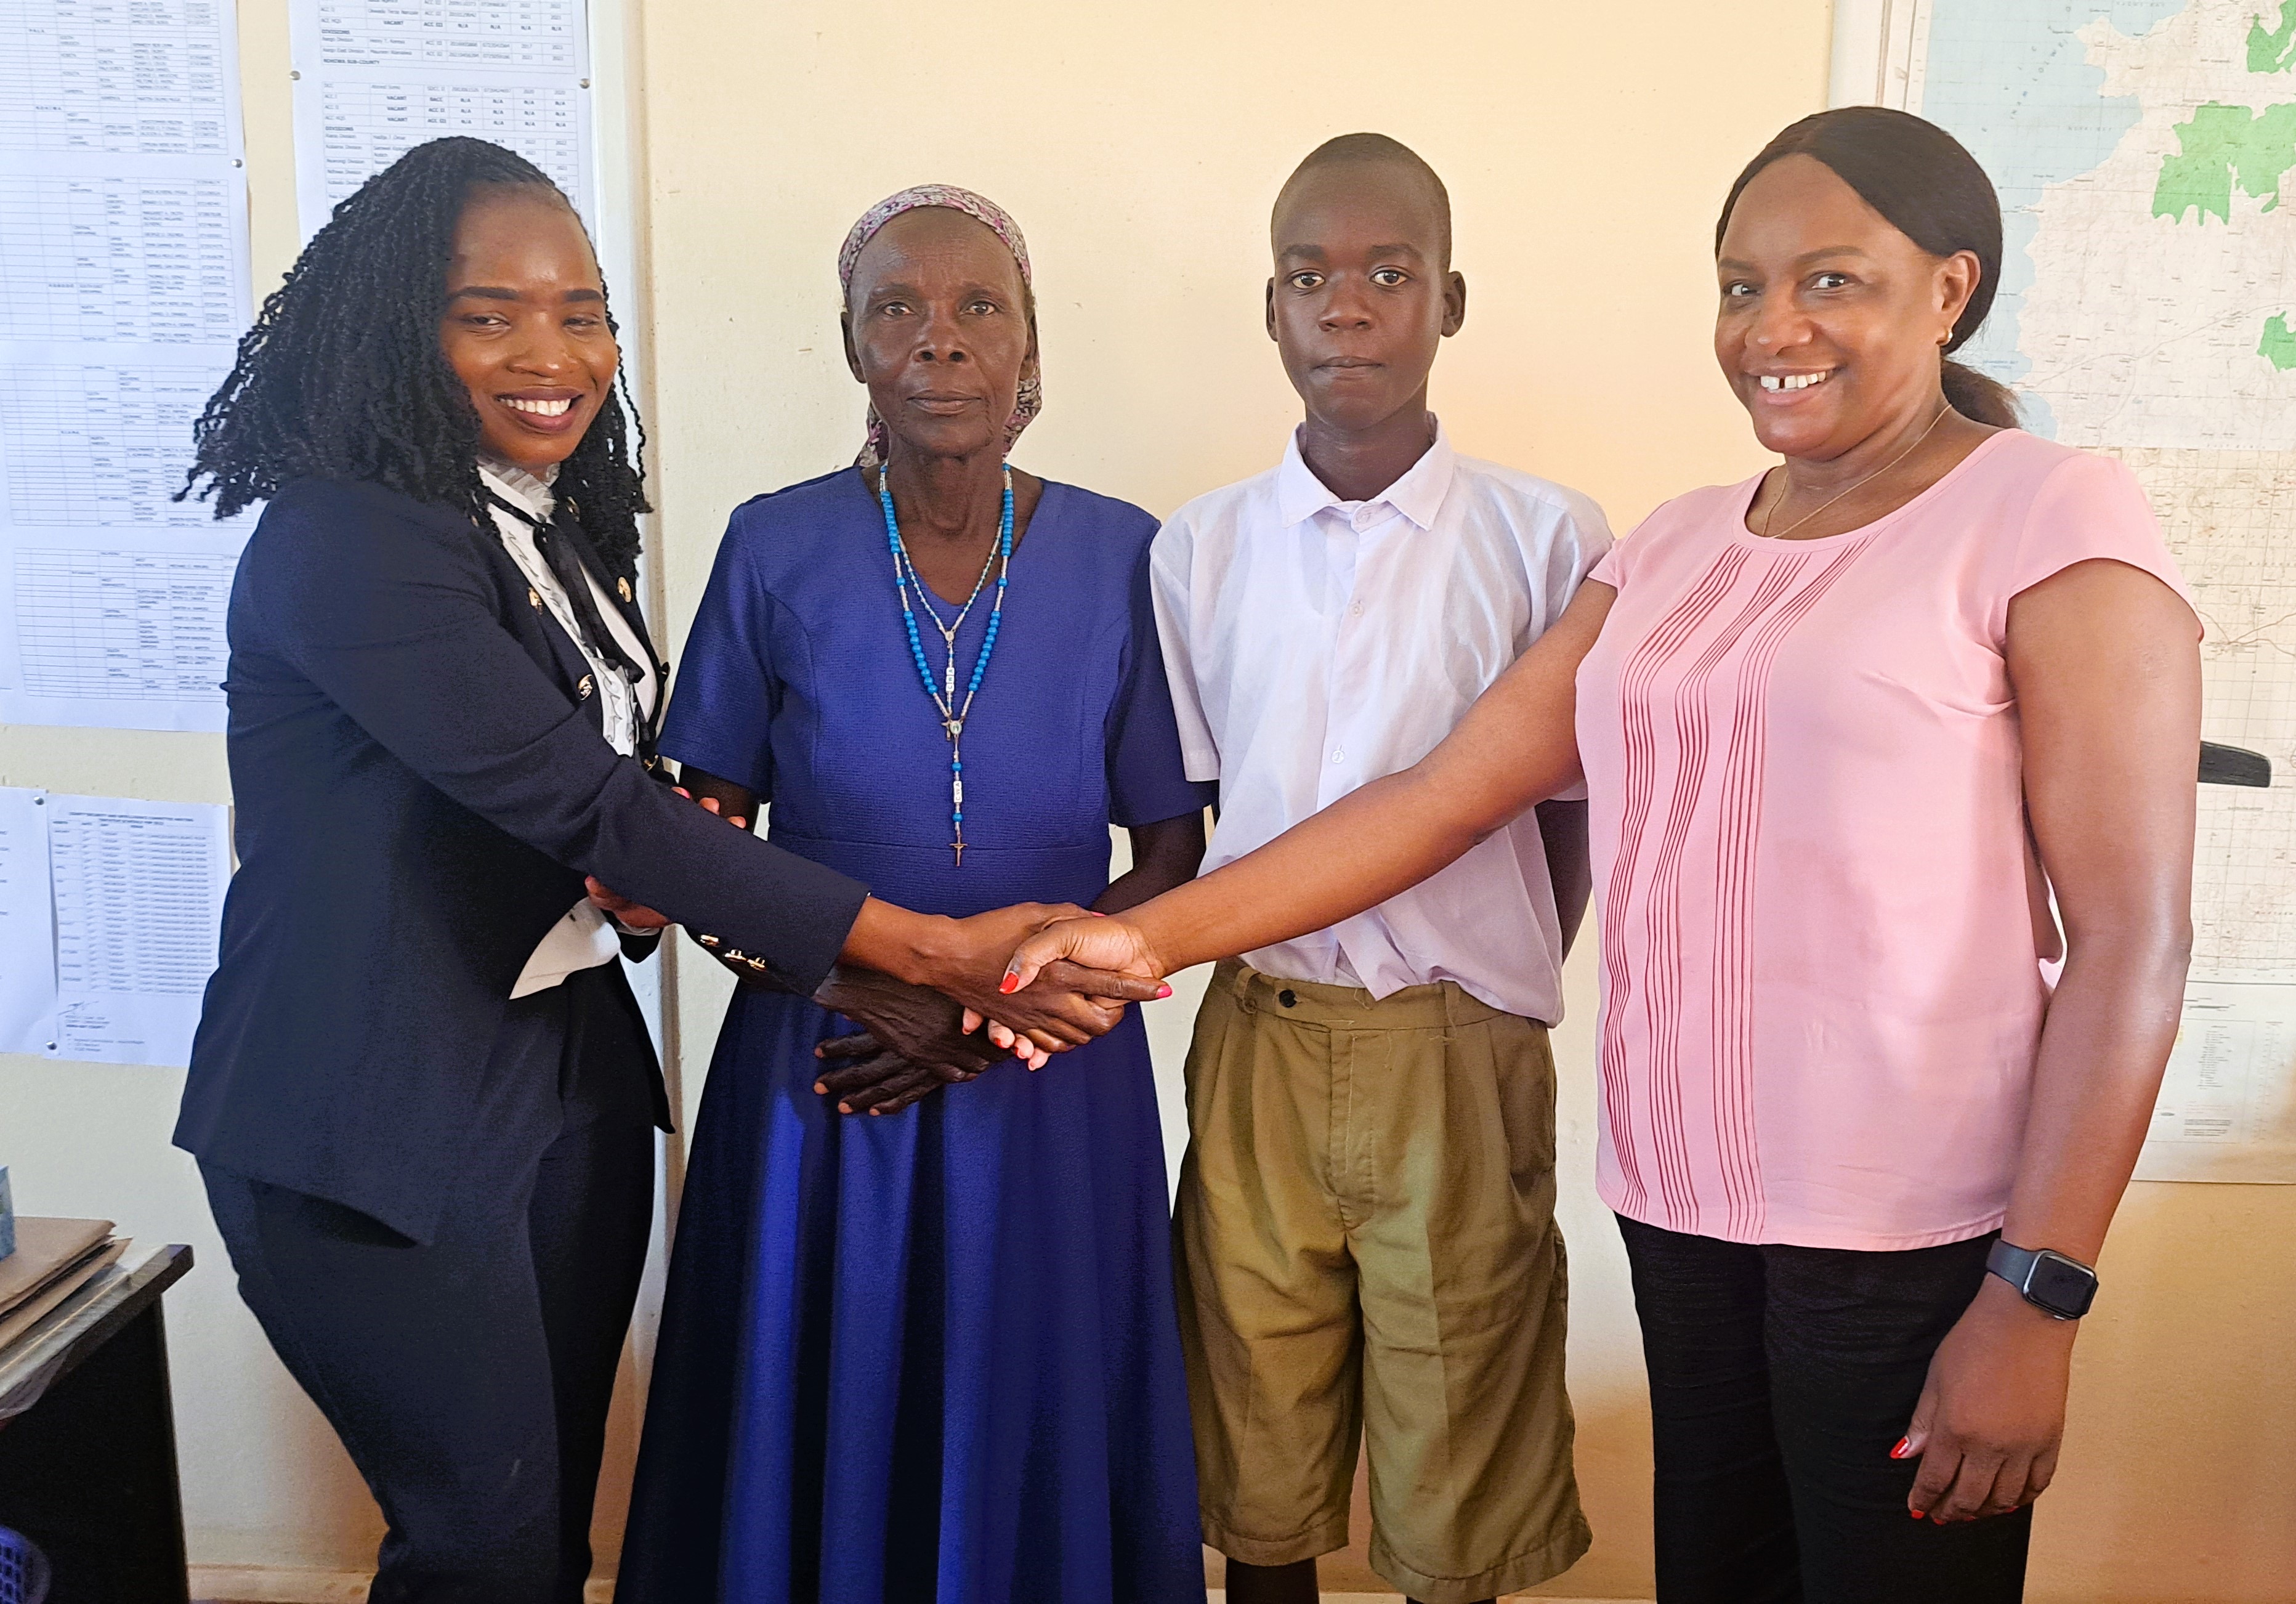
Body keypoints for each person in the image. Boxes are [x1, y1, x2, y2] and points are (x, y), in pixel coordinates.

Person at [1004, 108, 2201, 1603]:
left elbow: (2132, 944)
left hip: (1907, 1226)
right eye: (1739, 285)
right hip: (1679, 1207)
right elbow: (1445, 795)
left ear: (1948, 288)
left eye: (1829, 281)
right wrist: (1146, 939)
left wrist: (2035, 1295)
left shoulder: (2045, 511)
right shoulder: (1676, 545)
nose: (1771, 327)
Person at [174, 141, 1146, 1604]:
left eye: (582, 314)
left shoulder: (550, 526)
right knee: (481, 1540)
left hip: (559, 1069)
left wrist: (646, 878)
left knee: (545, 1529)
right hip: (371, 1101)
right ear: (401, 329)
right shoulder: (350, 541)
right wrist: (917, 961)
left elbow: (634, 805)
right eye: (489, 314)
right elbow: (593, 805)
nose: (550, 353)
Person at [614, 186, 1213, 1604]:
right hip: (825, 1064)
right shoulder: (772, 545)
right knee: (827, 1397)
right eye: (897, 308)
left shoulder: (1122, 552)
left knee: (1032, 1404)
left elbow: (1172, 846)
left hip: (1047, 1071)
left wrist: (998, 1006)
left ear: (1029, 349)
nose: (938, 340)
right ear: (851, 347)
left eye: (976, 308)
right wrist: (860, 982)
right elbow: (698, 834)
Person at [1136, 133, 1607, 1604]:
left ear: (1448, 300)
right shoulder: (1198, 550)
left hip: (1454, 1050)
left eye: (1388, 273)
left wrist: (1495, 983)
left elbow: (1565, 811)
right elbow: (1201, 811)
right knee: (1253, 1433)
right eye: (1308, 277)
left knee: (1456, 1439)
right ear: (1268, 310)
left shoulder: (1547, 539)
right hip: (1260, 1044)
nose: (1345, 306)